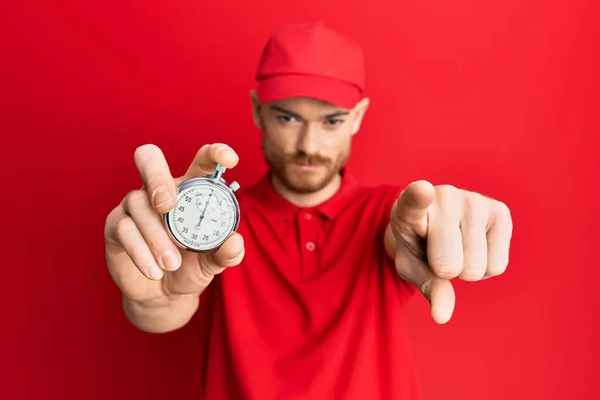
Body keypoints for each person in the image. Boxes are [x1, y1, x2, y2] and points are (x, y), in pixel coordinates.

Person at [104, 22, 513, 399]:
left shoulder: (390, 215)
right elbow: (167, 309)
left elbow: (404, 230)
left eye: (332, 121)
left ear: (358, 117)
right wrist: (153, 298)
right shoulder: (207, 228)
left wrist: (438, 224)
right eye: (288, 116)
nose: (309, 145)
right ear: (257, 109)